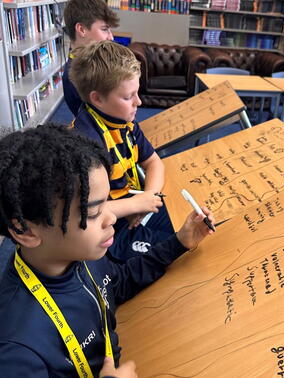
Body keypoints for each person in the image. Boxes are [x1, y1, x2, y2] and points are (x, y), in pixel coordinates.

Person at [0, 124, 214, 376]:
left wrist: (178, 243)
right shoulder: (18, 349)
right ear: (27, 231)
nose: (111, 218)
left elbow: (117, 284)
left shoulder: (80, 256)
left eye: (107, 204)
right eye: (93, 212)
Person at [69, 40, 174, 261]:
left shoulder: (126, 123)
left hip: (134, 206)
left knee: (186, 225)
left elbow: (154, 163)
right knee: (171, 252)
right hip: (110, 229)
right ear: (97, 98)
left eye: (137, 93)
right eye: (128, 97)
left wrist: (148, 197)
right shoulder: (84, 143)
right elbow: (84, 214)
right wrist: (134, 205)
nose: (139, 102)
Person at [63, 0, 119, 116]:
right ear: (82, 29)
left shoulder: (93, 63)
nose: (111, 37)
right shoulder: (76, 77)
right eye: (104, 29)